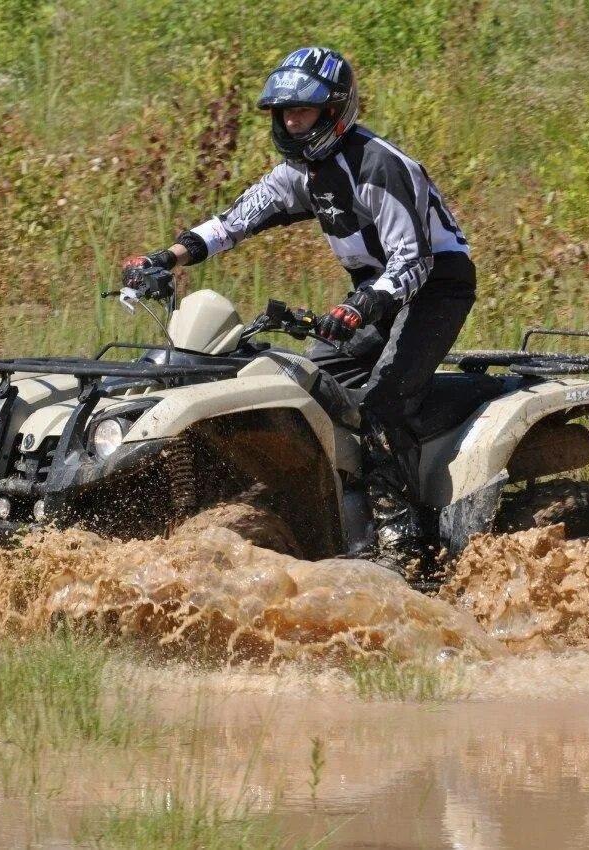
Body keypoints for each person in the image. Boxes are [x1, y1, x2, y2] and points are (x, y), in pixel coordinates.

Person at [125, 45, 477, 569]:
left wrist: (361, 306)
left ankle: (403, 543)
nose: (291, 122)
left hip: (433, 289)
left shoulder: (378, 164)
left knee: (383, 401)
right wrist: (164, 258)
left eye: (303, 110)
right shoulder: (301, 172)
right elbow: (233, 221)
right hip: (373, 290)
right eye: (284, 112)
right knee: (308, 379)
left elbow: (415, 259)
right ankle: (332, 512)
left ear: (335, 110)